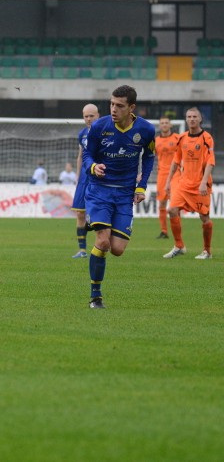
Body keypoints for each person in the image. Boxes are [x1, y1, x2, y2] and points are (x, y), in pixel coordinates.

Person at [82, 85, 155, 308]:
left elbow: (150, 156)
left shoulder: (146, 130)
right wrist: (93, 167)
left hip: (124, 194)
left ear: (131, 107)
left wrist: (141, 186)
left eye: (119, 106)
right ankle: (96, 296)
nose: (113, 109)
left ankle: (94, 222)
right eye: (112, 104)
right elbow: (87, 154)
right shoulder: (99, 126)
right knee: (102, 242)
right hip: (100, 190)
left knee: (117, 250)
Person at [163, 107, 215, 260]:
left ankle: (207, 251)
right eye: (189, 116)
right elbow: (176, 160)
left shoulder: (207, 138)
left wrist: (204, 182)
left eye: (194, 116)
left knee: (204, 218)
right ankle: (179, 246)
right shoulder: (182, 138)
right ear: (186, 119)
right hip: (183, 184)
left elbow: (211, 162)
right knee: (172, 210)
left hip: (200, 185)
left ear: (200, 119)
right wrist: (168, 182)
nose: (191, 119)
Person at [70, 103, 100, 258]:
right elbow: (80, 156)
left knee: (97, 214)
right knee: (80, 214)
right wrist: (78, 176)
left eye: (91, 116)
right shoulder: (82, 134)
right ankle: (82, 250)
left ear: (98, 115)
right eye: (86, 116)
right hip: (84, 178)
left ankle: (98, 248)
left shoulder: (105, 132)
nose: (89, 119)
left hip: (98, 178)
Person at [154, 115, 181, 239]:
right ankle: (164, 231)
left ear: (170, 125)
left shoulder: (177, 138)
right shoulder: (156, 141)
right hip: (161, 175)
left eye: (166, 122)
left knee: (174, 205)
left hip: (176, 175)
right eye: (162, 123)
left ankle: (177, 229)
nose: (164, 125)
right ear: (160, 126)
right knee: (162, 204)